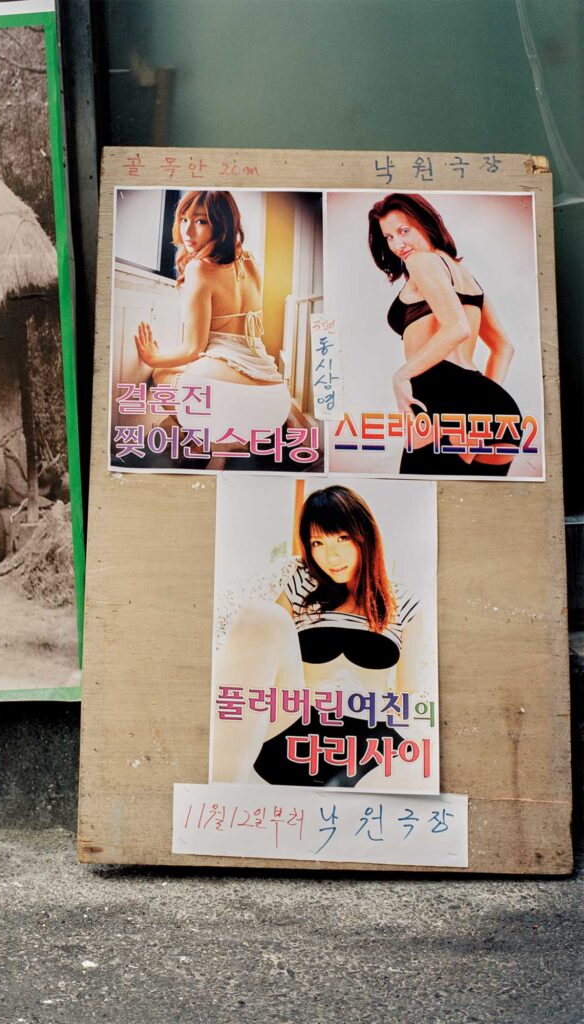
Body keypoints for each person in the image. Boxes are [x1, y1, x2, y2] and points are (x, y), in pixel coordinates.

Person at [209, 485, 427, 789]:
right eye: (317, 543)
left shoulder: (405, 600)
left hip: (367, 744)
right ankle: (217, 799)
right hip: (294, 727)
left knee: (412, 767)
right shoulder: (303, 582)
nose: (331, 556)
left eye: (342, 538)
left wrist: (365, 704)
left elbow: (407, 693)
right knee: (262, 615)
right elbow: (264, 646)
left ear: (365, 535)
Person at [368, 192, 519, 476]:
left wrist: (401, 375)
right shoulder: (465, 275)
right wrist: (484, 405)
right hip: (492, 406)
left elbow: (457, 327)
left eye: (404, 231)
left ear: (427, 223)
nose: (398, 245)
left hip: (441, 401)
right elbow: (504, 347)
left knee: (417, 496)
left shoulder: (421, 262)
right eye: (388, 237)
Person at [132, 190, 292, 444]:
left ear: (222, 225)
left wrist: (154, 358)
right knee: (195, 378)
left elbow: (193, 350)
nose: (188, 230)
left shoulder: (200, 268)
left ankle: (213, 444)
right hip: (276, 403)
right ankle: (230, 444)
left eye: (201, 221)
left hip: (230, 392)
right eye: (184, 219)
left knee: (162, 375)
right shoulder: (248, 260)